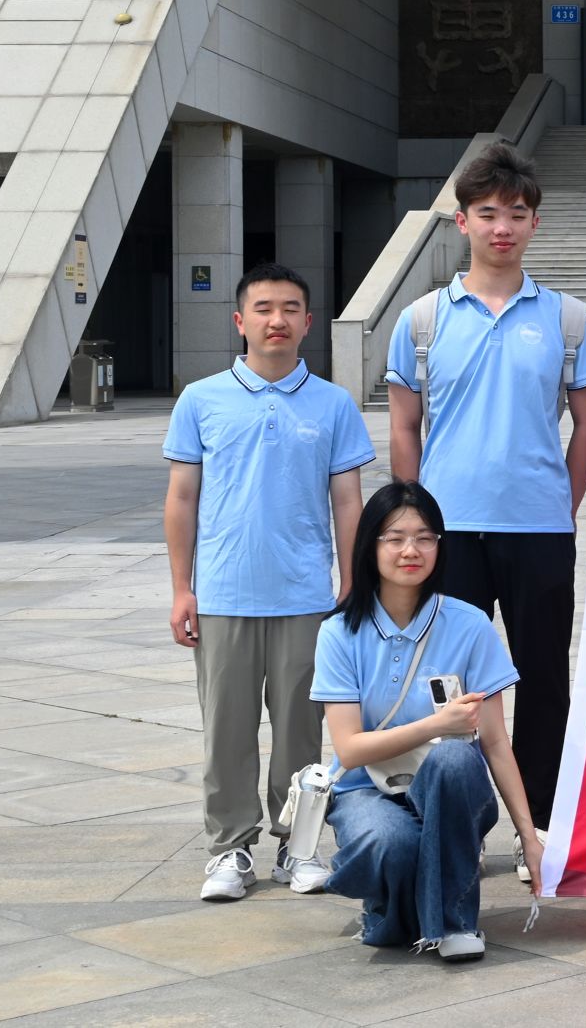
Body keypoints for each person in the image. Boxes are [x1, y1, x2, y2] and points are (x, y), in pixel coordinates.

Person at [385, 142, 586, 885]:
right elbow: (404, 426)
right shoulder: (422, 319)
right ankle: (459, 816)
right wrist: (414, 519)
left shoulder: (567, 318)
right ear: (462, 222)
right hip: (450, 533)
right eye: (487, 213)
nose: (501, 227)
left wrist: (563, 502)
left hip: (539, 529)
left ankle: (537, 824)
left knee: (543, 677)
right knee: (451, 683)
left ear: (535, 223)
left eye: (516, 214)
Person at [163, 264, 372, 903]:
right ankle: (229, 849)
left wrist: (351, 581)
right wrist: (181, 588)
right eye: (262, 308)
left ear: (308, 323)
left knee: (302, 735)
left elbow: (347, 500)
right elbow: (182, 498)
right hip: (223, 594)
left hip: (306, 596)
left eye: (289, 309)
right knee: (225, 732)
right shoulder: (201, 399)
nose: (276, 320)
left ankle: (297, 846)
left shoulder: (333, 403)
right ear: (240, 321)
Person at [312, 482, 535, 962]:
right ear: (370, 546)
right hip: (367, 789)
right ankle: (396, 914)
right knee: (392, 843)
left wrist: (529, 835)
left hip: (451, 792)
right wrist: (435, 725)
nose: (410, 550)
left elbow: (496, 743)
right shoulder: (339, 632)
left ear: (440, 545)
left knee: (455, 756)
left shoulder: (470, 624)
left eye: (424, 538)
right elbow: (349, 750)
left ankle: (455, 923)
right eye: (394, 538)